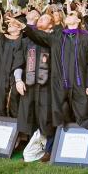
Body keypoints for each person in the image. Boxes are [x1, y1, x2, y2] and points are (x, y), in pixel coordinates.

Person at [21, 7, 88, 130]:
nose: (68, 14)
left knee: (82, 113)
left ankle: (83, 142)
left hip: (79, 83)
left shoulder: (86, 38)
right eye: (68, 14)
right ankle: (64, 142)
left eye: (72, 13)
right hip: (61, 83)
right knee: (62, 114)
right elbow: (39, 35)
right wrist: (25, 27)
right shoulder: (59, 37)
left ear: (78, 20)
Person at [15, 12, 56, 158]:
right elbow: (19, 61)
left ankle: (50, 149)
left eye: (44, 18)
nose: (40, 19)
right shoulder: (27, 41)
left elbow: (39, 36)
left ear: (51, 25)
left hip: (47, 85)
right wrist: (18, 80)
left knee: (47, 116)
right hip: (30, 84)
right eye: (40, 17)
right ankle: (34, 144)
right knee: (30, 115)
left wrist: (27, 28)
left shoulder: (52, 38)